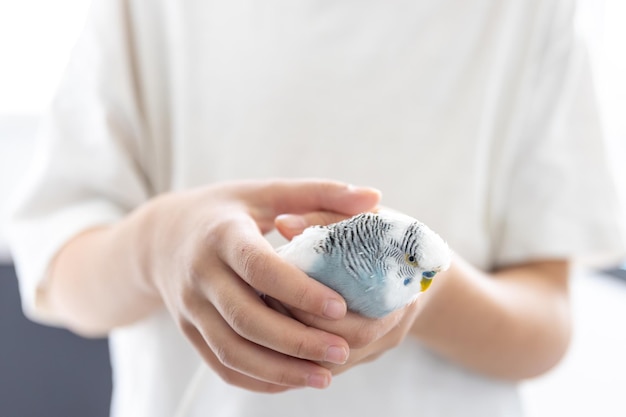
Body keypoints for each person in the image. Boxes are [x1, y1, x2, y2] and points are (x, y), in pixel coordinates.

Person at [8, 0, 626, 416]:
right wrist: (157, 245)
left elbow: (546, 322)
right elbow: (58, 276)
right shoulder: (144, 15)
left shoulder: (529, 17)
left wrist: (426, 292)